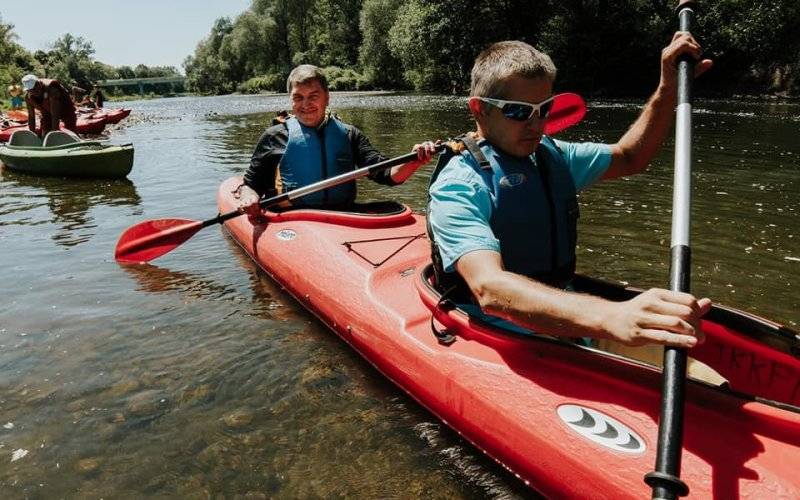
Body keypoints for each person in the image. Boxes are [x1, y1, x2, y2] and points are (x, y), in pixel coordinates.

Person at [427, 34, 714, 349]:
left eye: (544, 108)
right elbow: (489, 288)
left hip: (568, 319)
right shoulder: (458, 185)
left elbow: (631, 157)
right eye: (519, 112)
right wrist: (611, 316)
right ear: (480, 109)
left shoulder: (552, 156)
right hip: (498, 332)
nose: (537, 125)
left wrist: (668, 89)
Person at [234, 64, 437, 215]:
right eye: (298, 97)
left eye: (313, 96)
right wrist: (249, 197)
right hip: (293, 221)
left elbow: (387, 174)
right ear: (291, 100)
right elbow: (251, 184)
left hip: (343, 216)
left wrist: (414, 160)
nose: (306, 104)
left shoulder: (349, 134)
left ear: (327, 97)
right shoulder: (274, 137)